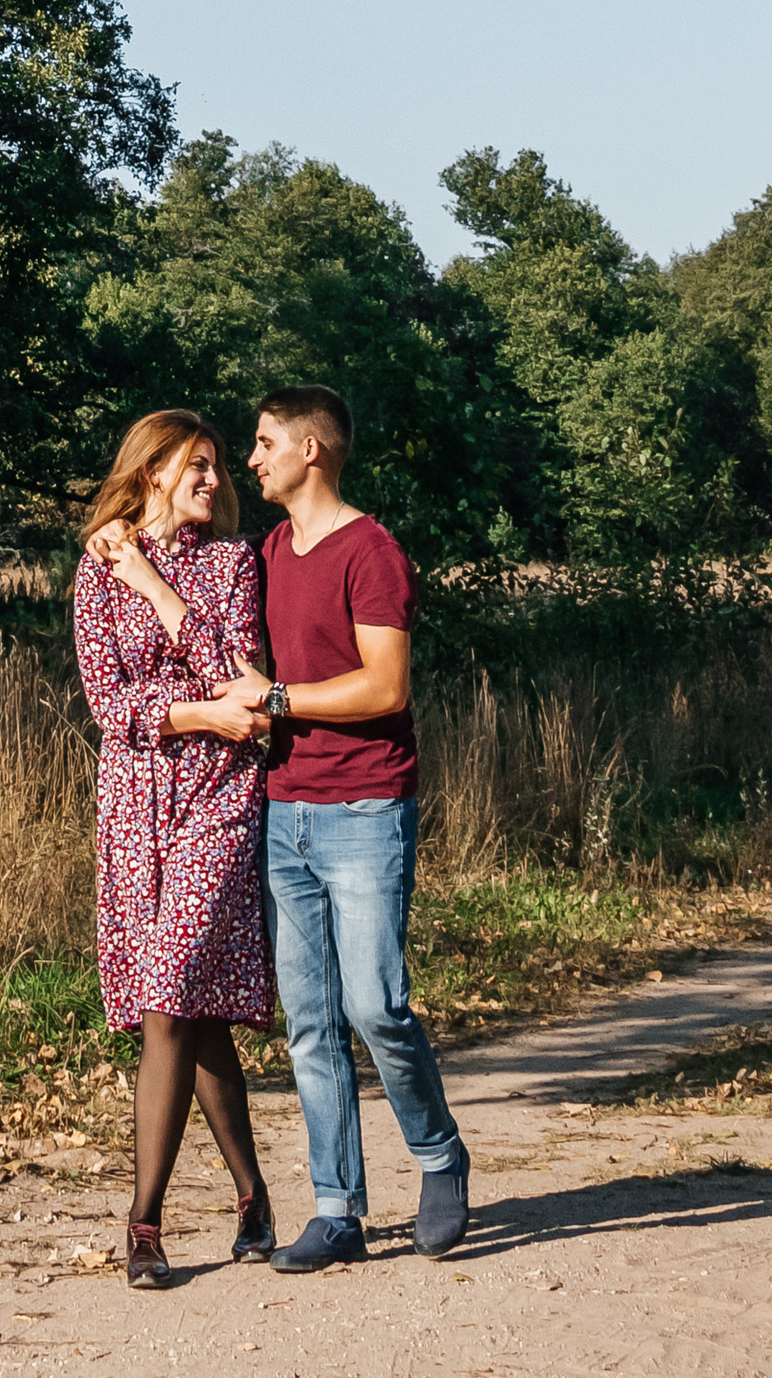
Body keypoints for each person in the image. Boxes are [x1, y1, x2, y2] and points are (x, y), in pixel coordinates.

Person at [197, 385, 467, 1269]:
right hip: (285, 812)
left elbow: (385, 687)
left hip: (364, 809)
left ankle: (439, 1157)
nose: (252, 459)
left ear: (311, 449)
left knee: (375, 1007)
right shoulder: (271, 550)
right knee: (310, 1021)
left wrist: (277, 698)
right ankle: (337, 1210)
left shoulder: (371, 552)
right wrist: (125, 555)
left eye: (265, 442)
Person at [70, 408, 277, 1288]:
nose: (213, 480)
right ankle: (253, 1198)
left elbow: (244, 678)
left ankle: (144, 1226)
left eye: (218, 466)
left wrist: (157, 588)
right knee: (193, 1012)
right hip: (134, 805)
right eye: (195, 464)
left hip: (218, 798)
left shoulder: (233, 563)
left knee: (167, 995)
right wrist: (197, 713)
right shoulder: (98, 567)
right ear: (151, 470)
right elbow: (107, 706)